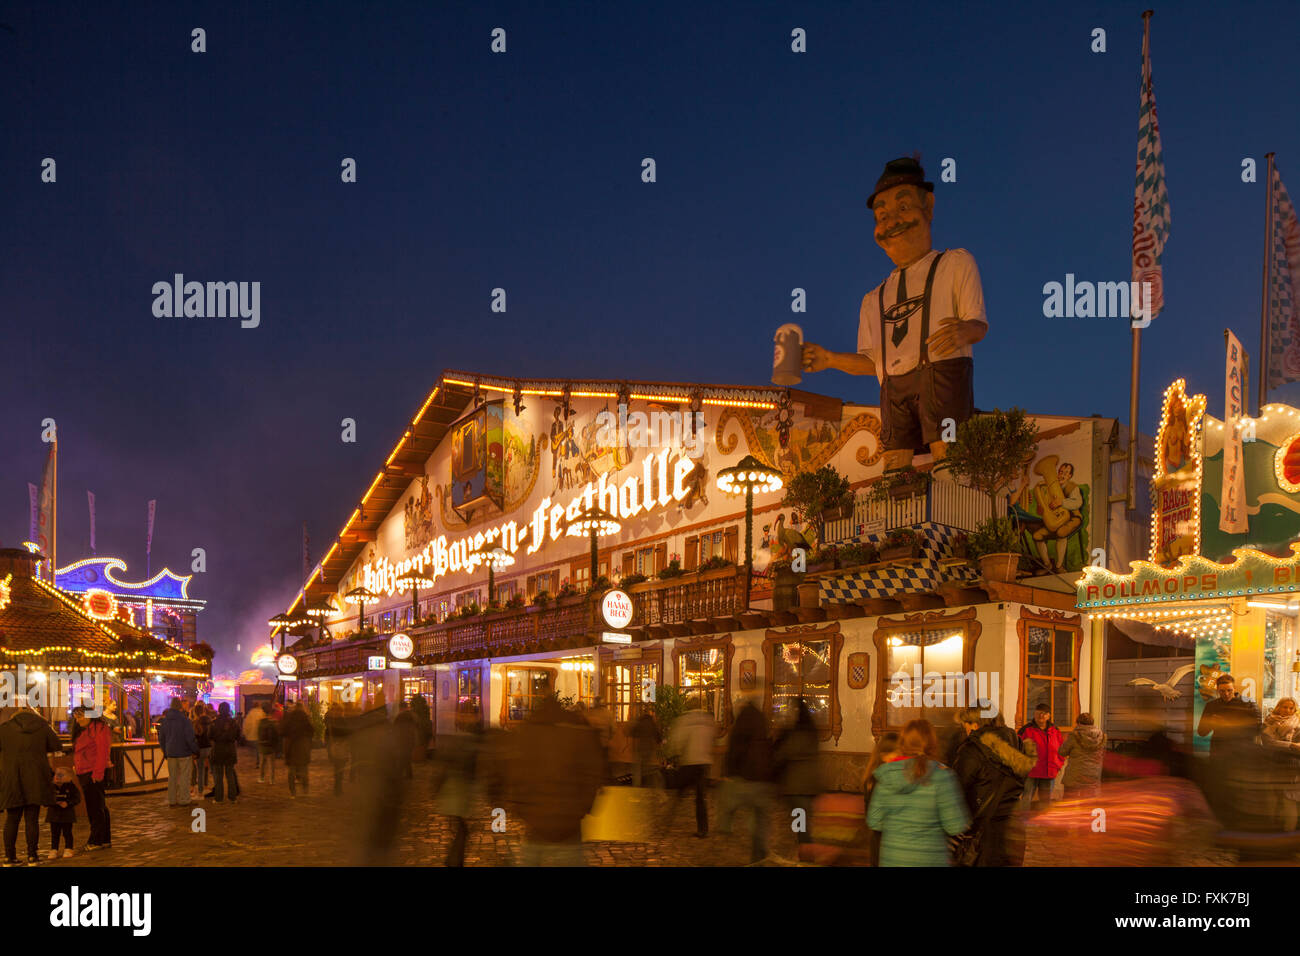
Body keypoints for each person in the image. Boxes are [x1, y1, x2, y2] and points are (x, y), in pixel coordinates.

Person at [802, 156, 987, 472]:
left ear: (927, 206)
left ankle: (953, 509)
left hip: (941, 375)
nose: (892, 222)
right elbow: (873, 361)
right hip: (892, 390)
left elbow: (978, 324)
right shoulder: (873, 298)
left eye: (903, 208)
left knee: (950, 458)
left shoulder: (955, 263)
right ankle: (901, 517)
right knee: (894, 466)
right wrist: (830, 359)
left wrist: (963, 331)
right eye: (883, 215)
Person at [505, 695, 606, 866]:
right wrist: (584, 807)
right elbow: (593, 773)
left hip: (536, 819)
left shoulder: (527, 732)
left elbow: (515, 772)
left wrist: (520, 807)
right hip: (569, 821)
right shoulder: (578, 730)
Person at [867, 718, 971, 866]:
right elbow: (955, 826)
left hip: (893, 859)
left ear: (902, 743)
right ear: (932, 743)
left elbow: (874, 821)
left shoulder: (886, 775)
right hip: (930, 860)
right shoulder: (943, 776)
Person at [952, 712, 1034, 866]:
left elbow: (956, 789)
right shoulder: (1018, 743)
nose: (966, 730)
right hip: (1014, 827)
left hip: (983, 832)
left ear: (975, 724)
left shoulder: (972, 749)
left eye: (966, 726)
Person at [0, 707, 62, 866]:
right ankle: (32, 856)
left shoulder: (4, 729)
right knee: (31, 819)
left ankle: (8, 857)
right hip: (35, 779)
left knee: (11, 819)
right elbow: (56, 745)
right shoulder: (42, 727)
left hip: (11, 778)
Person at [719, 696, 775, 863]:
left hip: (746, 777)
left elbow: (735, 750)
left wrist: (728, 771)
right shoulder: (762, 724)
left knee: (731, 803)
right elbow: (770, 751)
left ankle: (726, 827)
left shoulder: (741, 724)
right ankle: (759, 850)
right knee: (760, 815)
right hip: (762, 779)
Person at [774, 698, 821, 847]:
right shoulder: (812, 732)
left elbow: (782, 755)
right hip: (810, 785)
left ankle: (805, 851)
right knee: (802, 820)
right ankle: (803, 846)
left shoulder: (796, 735)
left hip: (797, 786)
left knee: (801, 824)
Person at [667, 699, 716, 837]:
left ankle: (668, 819)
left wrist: (674, 754)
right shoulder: (708, 719)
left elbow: (678, 740)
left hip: (689, 762)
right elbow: (713, 738)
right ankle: (703, 829)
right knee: (701, 797)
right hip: (704, 763)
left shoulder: (685, 719)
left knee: (679, 791)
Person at [70, 706, 112, 850]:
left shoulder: (99, 728)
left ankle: (96, 840)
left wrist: (98, 774)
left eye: (80, 716)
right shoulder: (83, 730)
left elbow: (103, 752)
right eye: (76, 717)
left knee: (95, 807)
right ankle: (104, 839)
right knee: (98, 806)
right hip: (84, 772)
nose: (78, 720)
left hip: (93, 772)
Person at [1261, 697, 1300, 830]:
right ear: (1278, 707)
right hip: (1273, 764)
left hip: (1292, 766)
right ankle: (1272, 828)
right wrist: (1291, 745)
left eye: (1291, 708)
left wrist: (1290, 746)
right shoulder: (1269, 721)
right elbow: (1268, 742)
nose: (1287, 710)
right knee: (1272, 797)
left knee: (1289, 800)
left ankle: (1288, 832)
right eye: (1284, 707)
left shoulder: (1298, 722)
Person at [862, 732, 901, 866]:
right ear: (885, 755)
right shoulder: (883, 779)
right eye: (898, 753)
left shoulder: (872, 777)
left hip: (879, 839)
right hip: (885, 840)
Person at [1018, 705, 1064, 810]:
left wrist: (1058, 764)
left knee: (1046, 801)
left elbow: (1062, 749)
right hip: (1030, 772)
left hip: (1049, 771)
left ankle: (1043, 822)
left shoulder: (1055, 730)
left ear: (1049, 716)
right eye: (1038, 712)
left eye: (1044, 713)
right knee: (1026, 798)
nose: (1041, 715)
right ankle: (1023, 823)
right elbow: (1017, 748)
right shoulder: (1026, 730)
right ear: (1034, 714)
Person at [159, 697, 198, 808]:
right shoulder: (185, 720)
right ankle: (184, 799)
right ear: (180, 706)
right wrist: (195, 750)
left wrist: (165, 751)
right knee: (185, 777)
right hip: (184, 752)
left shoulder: (165, 721)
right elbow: (189, 738)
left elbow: (161, 738)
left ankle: (172, 800)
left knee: (172, 777)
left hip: (171, 752)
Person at [1059, 713, 1106, 800]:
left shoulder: (1075, 736)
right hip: (1092, 777)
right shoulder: (1101, 737)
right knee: (1087, 805)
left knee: (1068, 804)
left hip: (1074, 777)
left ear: (1079, 723)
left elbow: (1062, 752)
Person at [46, 766, 80, 860]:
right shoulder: (51, 787)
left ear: (68, 778)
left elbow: (77, 798)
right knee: (54, 833)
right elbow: (46, 799)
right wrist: (53, 802)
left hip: (67, 815)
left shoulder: (71, 786)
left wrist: (68, 803)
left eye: (60, 775)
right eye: (56, 774)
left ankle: (68, 848)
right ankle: (54, 849)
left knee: (67, 832)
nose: (57, 777)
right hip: (54, 814)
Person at [209, 702, 241, 802]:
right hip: (230, 750)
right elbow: (238, 736)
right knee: (230, 774)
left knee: (218, 776)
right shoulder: (233, 723)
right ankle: (232, 797)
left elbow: (209, 736)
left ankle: (219, 798)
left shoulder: (214, 722)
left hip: (218, 750)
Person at [281, 702, 314, 797]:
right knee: (303, 769)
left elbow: (282, 731)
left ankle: (293, 792)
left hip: (291, 746)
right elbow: (312, 731)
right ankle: (305, 789)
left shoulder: (289, 718)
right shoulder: (305, 718)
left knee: (291, 770)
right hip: (303, 746)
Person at [630, 709, 661, 788]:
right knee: (648, 767)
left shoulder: (640, 722)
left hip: (640, 747)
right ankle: (649, 784)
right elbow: (657, 736)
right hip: (649, 748)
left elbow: (633, 732)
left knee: (637, 768)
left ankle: (637, 785)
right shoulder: (652, 723)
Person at [324, 703, 350, 796]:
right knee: (340, 769)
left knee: (337, 769)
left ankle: (337, 787)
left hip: (335, 746)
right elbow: (348, 734)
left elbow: (328, 735)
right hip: (341, 747)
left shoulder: (332, 722)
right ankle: (338, 788)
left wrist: (329, 745)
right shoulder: (343, 722)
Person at [393, 699, 417, 780]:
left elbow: (395, 729)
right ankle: (409, 774)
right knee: (407, 758)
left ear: (401, 708)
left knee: (402, 758)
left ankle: (400, 775)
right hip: (410, 740)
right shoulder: (412, 716)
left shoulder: (400, 717)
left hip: (402, 740)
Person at [192, 702, 213, 799]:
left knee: (199, 770)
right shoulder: (210, 721)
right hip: (208, 747)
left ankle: (200, 792)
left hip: (199, 748)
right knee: (206, 769)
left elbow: (193, 737)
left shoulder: (195, 723)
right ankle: (205, 786)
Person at [257, 703, 281, 784]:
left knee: (262, 763)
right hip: (271, 746)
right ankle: (271, 780)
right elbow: (277, 735)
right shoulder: (273, 722)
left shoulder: (260, 722)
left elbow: (258, 733)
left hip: (262, 745)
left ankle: (261, 778)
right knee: (271, 764)